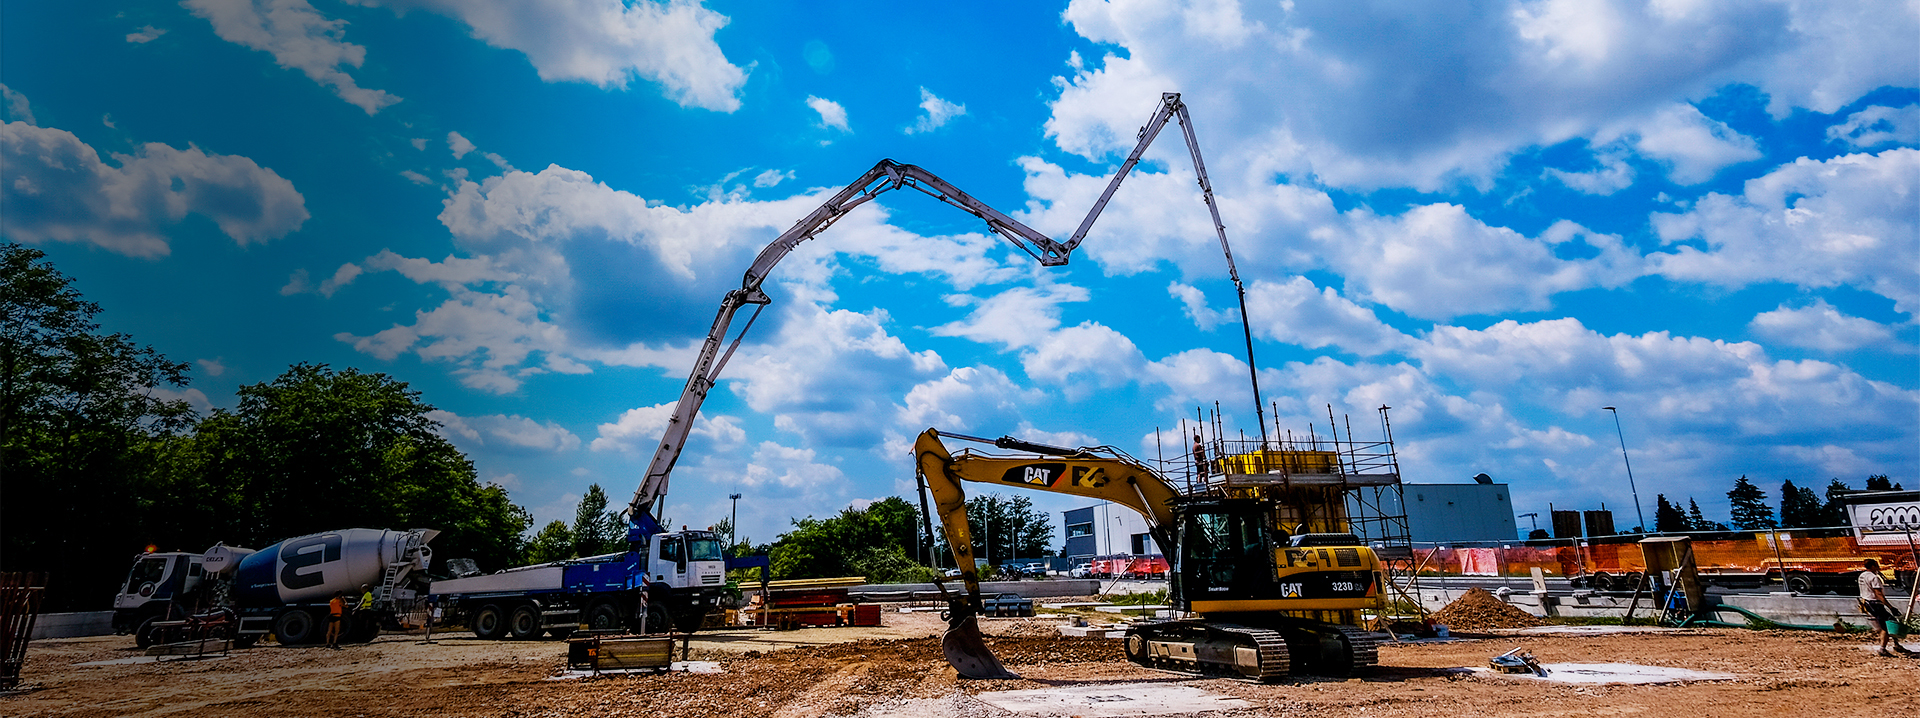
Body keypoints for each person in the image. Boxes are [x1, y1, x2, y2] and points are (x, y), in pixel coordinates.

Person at [1857, 559, 1913, 656]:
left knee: (1890, 621)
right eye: (1876, 565)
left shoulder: (1862, 575)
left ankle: (1896, 644)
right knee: (1887, 625)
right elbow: (1878, 594)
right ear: (1873, 565)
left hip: (1867, 603)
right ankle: (1883, 649)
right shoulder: (1874, 578)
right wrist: (1891, 607)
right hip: (1875, 603)